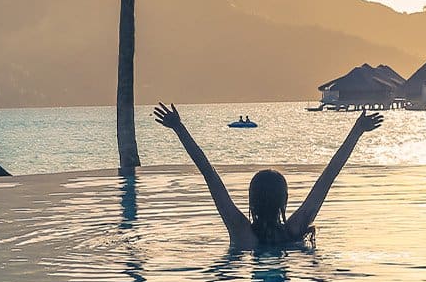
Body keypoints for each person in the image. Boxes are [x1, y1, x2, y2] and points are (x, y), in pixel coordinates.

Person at [152, 103, 383, 248]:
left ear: (251, 201)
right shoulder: (295, 229)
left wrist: (179, 128)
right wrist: (357, 131)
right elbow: (329, 176)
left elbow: (209, 174)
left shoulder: (241, 232)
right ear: (284, 200)